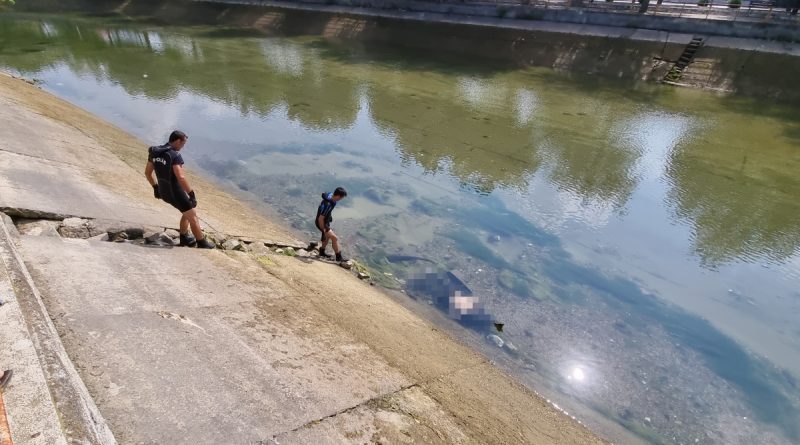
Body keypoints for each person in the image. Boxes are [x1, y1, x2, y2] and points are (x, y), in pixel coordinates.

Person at [144, 130, 214, 249]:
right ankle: (202, 243)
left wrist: (156, 188)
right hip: (175, 192)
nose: (182, 147)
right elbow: (181, 177)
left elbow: (148, 173)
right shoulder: (175, 155)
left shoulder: (154, 152)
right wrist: (191, 194)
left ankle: (184, 237)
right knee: (193, 216)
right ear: (177, 141)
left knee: (186, 211)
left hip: (164, 192)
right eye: (183, 144)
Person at [315, 187, 348, 262]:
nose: (341, 199)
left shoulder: (330, 195)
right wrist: (323, 230)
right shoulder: (328, 204)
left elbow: (324, 193)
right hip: (321, 222)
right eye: (341, 197)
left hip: (325, 221)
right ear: (338, 196)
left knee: (327, 237)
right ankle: (338, 257)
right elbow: (320, 218)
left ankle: (322, 252)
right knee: (334, 238)